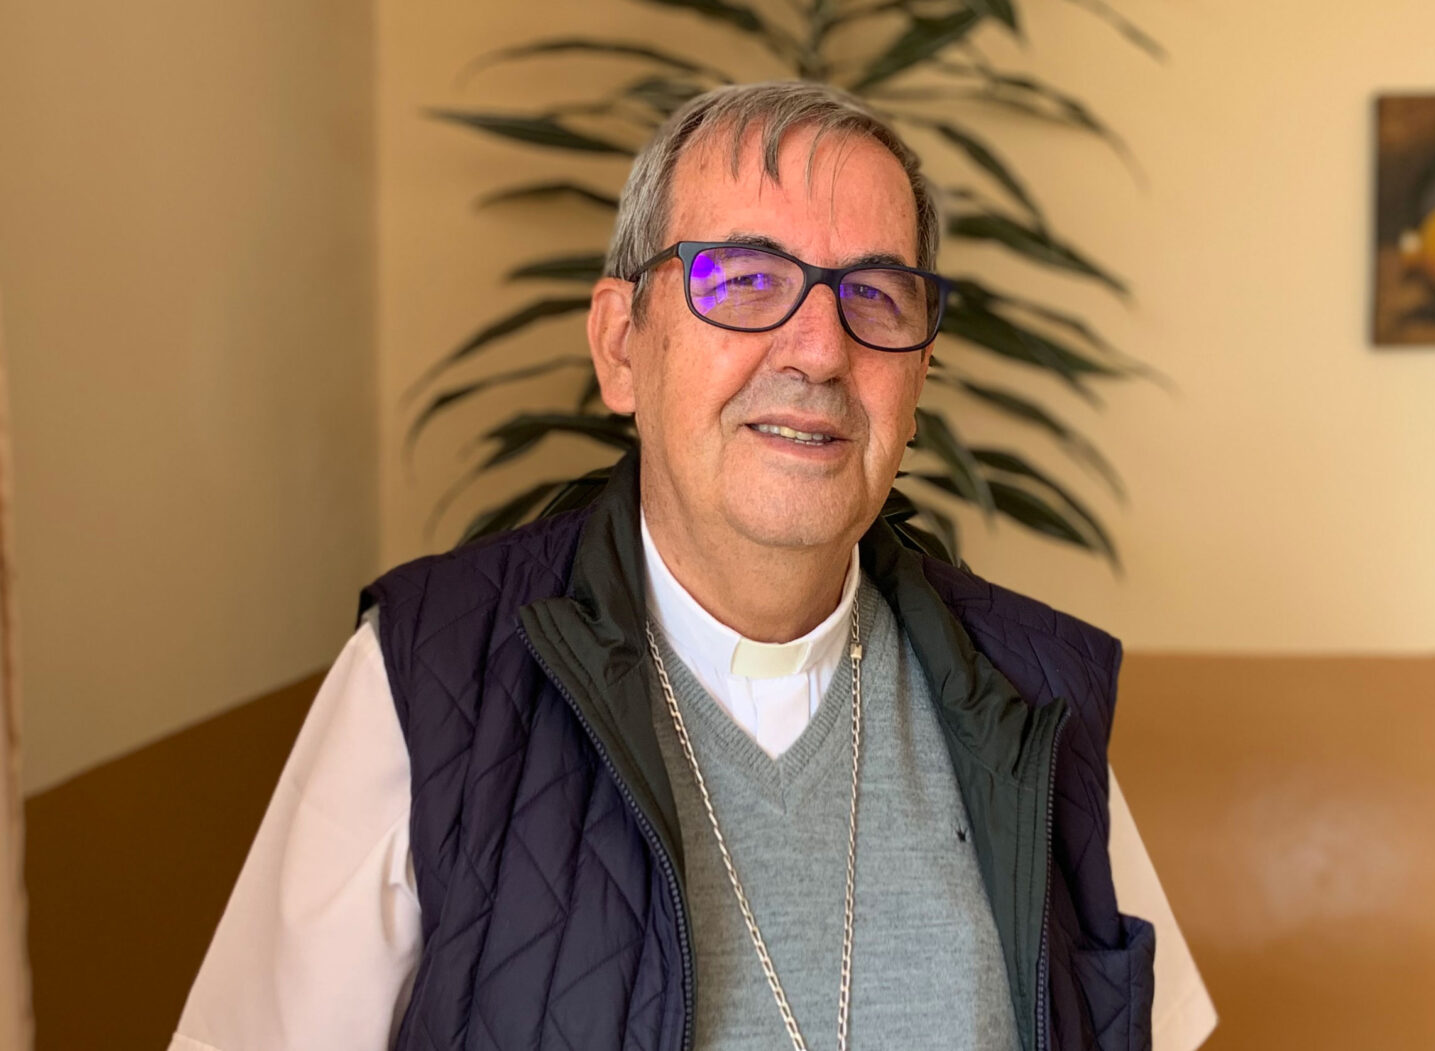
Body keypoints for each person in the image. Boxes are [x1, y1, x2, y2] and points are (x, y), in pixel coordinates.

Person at [169, 81, 1214, 1051]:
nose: (819, 351)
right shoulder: (427, 680)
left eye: (876, 297)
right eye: (746, 280)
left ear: (919, 377)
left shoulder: (1029, 700)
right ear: (622, 346)